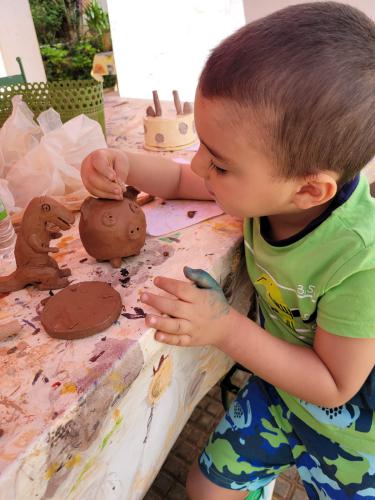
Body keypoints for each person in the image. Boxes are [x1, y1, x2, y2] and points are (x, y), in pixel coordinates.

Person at [81, 2, 375, 498]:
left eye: (218, 164)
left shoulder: (359, 262)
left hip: (352, 435)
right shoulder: (271, 187)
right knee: (207, 489)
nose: (199, 168)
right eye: (203, 147)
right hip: (279, 391)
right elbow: (177, 178)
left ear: (309, 191)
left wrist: (222, 328)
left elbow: (334, 384)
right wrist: (121, 165)